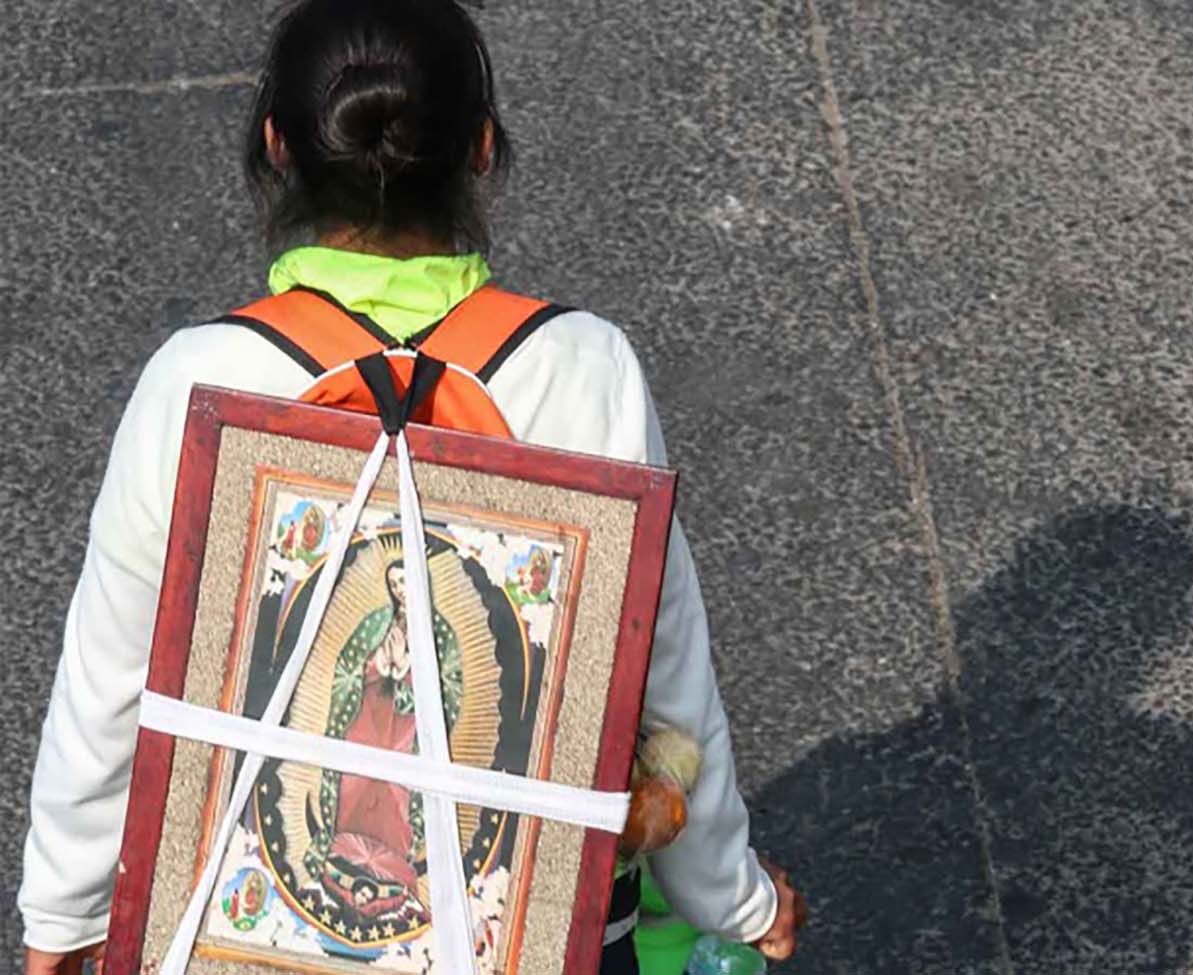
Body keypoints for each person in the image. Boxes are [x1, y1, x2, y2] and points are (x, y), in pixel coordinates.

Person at [17, 2, 802, 974]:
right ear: (480, 148)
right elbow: (665, 681)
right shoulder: (583, 369)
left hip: (250, 933)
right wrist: (732, 894)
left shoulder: (196, 378)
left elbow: (109, 682)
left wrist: (63, 912)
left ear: (276, 147)